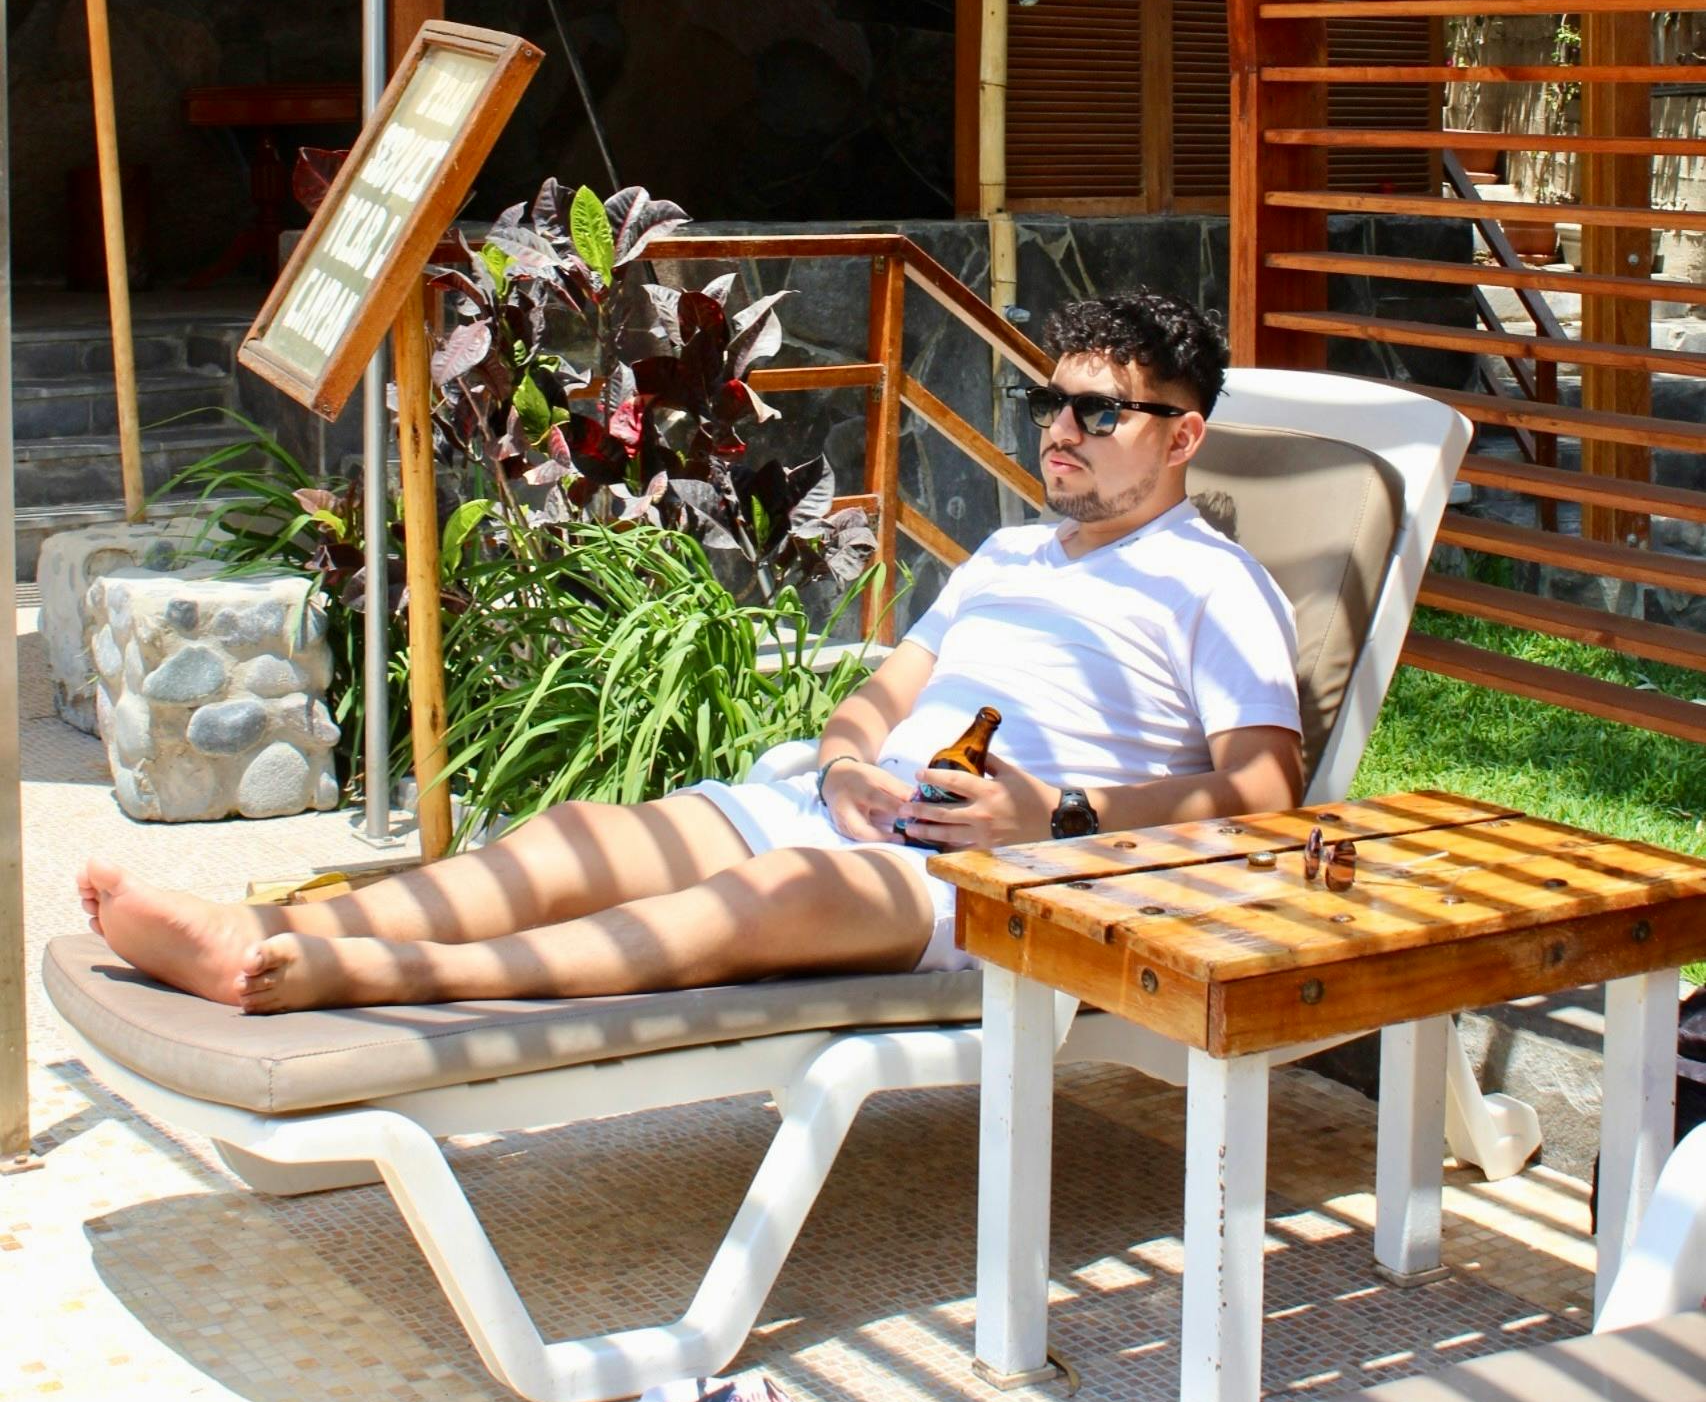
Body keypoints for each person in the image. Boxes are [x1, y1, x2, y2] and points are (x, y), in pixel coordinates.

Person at [78, 292, 1302, 1016]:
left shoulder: (1216, 584)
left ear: (1182, 435)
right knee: (588, 836)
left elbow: (1265, 793)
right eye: (1051, 403)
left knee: (767, 899)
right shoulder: (1006, 558)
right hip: (863, 816)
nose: (1063, 432)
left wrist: (1057, 813)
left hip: (1002, 883)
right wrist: (840, 767)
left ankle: (352, 978)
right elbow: (879, 695)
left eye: (1100, 412)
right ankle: (274, 929)